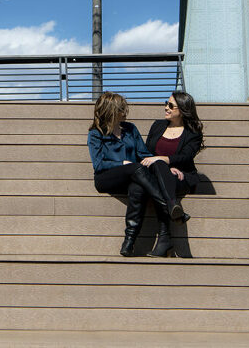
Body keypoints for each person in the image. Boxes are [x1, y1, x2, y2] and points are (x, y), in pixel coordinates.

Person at [87, 91, 185, 257]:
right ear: (111, 112)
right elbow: (98, 164)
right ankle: (167, 205)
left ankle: (129, 242)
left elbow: (144, 154)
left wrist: (164, 168)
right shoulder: (96, 133)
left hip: (133, 176)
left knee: (138, 188)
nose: (125, 112)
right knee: (136, 168)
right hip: (107, 177)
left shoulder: (130, 129)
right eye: (121, 109)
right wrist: (122, 163)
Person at [140, 91, 205, 257]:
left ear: (182, 110)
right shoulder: (157, 126)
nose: (166, 108)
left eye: (170, 106)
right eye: (166, 103)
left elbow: (186, 156)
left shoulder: (193, 133)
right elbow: (146, 152)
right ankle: (173, 208)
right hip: (156, 172)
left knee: (161, 183)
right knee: (156, 179)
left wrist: (163, 160)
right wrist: (163, 167)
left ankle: (164, 239)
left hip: (182, 176)